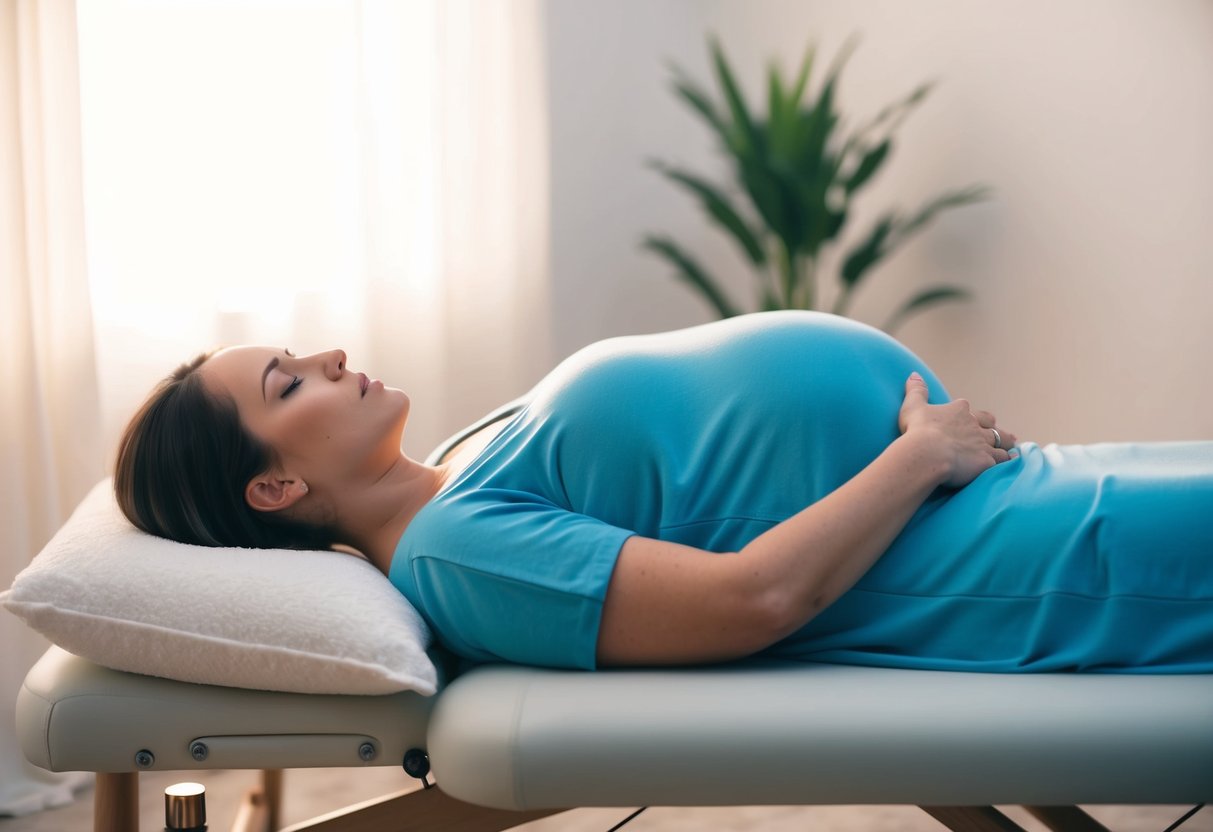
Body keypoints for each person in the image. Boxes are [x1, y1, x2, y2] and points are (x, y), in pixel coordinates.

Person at [114, 311, 1213, 673]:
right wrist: (917, 454)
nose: (329, 358)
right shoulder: (456, 552)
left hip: (1018, 490)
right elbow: (749, 602)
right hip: (1017, 561)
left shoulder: (452, 464)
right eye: (287, 382)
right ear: (276, 484)